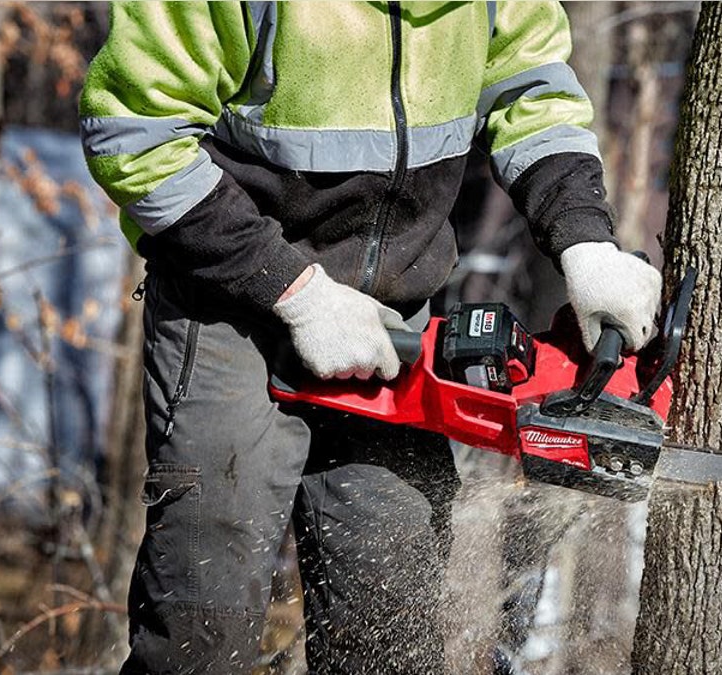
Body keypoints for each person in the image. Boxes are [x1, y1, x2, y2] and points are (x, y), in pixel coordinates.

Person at [80, 2, 662, 673]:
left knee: (393, 614)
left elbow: (530, 90)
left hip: (394, 323)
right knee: (202, 622)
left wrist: (584, 239)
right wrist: (295, 292)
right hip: (230, 309)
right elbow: (134, 137)